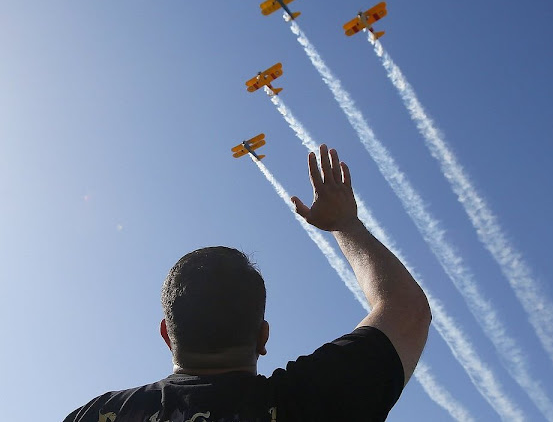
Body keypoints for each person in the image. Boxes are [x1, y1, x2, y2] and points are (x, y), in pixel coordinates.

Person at [64, 144, 431, 421]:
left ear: (166, 334)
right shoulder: (305, 400)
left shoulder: (98, 414)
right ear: (263, 337)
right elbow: (407, 311)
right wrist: (346, 225)